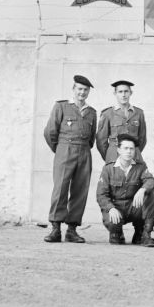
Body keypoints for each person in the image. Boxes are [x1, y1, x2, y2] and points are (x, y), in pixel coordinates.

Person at [43, 75, 97, 243]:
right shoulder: (62, 106)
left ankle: (72, 230)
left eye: (85, 90)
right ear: (73, 90)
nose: (82, 92)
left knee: (80, 190)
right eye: (79, 89)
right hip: (65, 149)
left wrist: (82, 150)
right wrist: (60, 150)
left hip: (84, 151)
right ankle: (56, 229)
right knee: (60, 189)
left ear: (88, 92)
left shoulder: (91, 112)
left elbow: (92, 138)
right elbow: (50, 132)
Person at [96, 134, 154, 247]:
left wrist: (142, 190)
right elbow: (101, 195)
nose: (129, 151)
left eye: (131, 149)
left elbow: (151, 181)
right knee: (113, 225)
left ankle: (143, 234)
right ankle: (117, 233)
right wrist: (110, 208)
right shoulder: (108, 169)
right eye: (125, 148)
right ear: (119, 150)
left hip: (133, 207)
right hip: (116, 207)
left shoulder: (140, 167)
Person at [96, 80, 147, 164]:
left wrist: (133, 151)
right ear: (115, 93)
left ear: (131, 93)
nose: (123, 95)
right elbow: (101, 141)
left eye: (126, 91)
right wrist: (109, 155)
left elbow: (142, 139)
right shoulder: (107, 114)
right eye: (120, 92)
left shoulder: (139, 113)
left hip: (134, 157)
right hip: (114, 156)